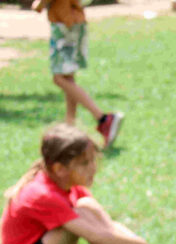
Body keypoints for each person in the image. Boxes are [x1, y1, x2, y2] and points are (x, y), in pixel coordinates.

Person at [0, 123, 176, 244]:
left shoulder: (67, 184)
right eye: (84, 163)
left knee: (87, 205)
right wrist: (139, 243)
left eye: (93, 160)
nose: (93, 167)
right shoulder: (43, 194)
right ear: (59, 169)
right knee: (83, 213)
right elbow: (96, 236)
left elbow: (105, 225)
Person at [31, 0, 124, 147]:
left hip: (64, 25)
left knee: (59, 78)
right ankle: (70, 128)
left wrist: (38, 4)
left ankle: (103, 119)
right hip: (75, 22)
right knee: (68, 78)